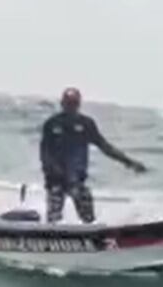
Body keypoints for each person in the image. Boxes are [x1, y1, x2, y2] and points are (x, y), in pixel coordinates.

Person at [40, 87, 146, 223]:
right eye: (68, 103)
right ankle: (53, 240)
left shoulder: (86, 124)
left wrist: (129, 162)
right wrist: (51, 169)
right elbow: (44, 153)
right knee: (53, 219)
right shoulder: (52, 124)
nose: (71, 107)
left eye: (74, 103)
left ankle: (91, 238)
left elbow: (105, 146)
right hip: (56, 179)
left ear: (78, 104)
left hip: (77, 179)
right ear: (62, 104)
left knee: (88, 219)